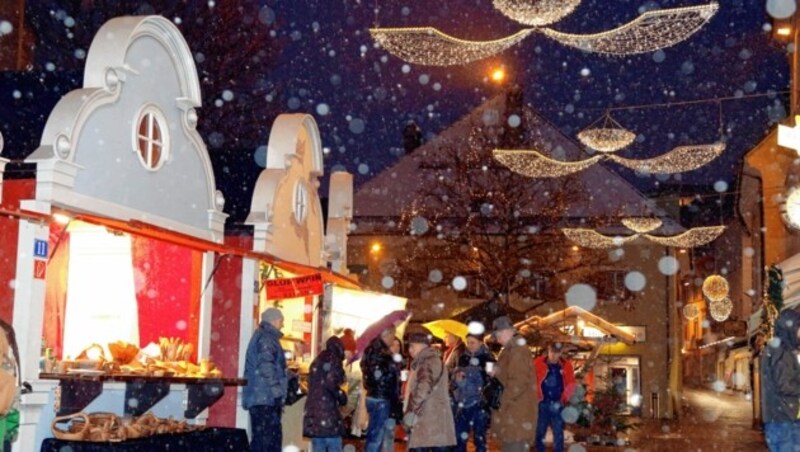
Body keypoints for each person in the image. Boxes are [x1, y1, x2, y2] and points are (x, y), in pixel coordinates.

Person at [243, 308, 289, 452]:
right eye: (281, 321)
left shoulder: (264, 336)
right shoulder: (267, 338)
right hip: (265, 398)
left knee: (263, 440)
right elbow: (266, 366)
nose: (282, 324)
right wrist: (277, 391)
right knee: (267, 442)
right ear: (274, 321)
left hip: (261, 398)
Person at [489, 316, 537, 452]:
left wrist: (501, 402)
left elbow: (518, 383)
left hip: (516, 417)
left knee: (514, 447)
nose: (497, 339)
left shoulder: (517, 350)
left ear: (506, 331)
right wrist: (497, 371)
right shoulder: (512, 349)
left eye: (498, 335)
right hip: (514, 417)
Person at [403, 330, 456, 451]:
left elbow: (423, 389)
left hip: (426, 417)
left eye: (411, 346)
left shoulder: (426, 362)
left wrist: (411, 410)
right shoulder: (434, 359)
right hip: (436, 416)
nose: (410, 350)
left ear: (420, 345)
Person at [760, 309, 800, 452]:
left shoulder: (777, 348)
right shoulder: (782, 351)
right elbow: (784, 385)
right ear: (790, 328)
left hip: (780, 418)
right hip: (783, 419)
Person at [452, 332, 495, 452]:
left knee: (479, 438)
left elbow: (490, 380)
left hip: (479, 403)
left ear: (481, 343)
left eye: (473, 342)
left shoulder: (487, 358)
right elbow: (454, 378)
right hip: (462, 403)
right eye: (468, 342)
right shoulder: (463, 358)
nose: (469, 345)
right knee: (459, 438)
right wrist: (456, 379)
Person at [361, 327, 402, 452]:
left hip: (374, 396)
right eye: (393, 335)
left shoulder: (371, 350)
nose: (393, 338)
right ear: (387, 334)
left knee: (374, 435)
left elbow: (368, 373)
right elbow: (380, 377)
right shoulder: (380, 353)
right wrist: (392, 369)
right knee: (376, 438)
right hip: (381, 398)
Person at [304, 336, 347, 452]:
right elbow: (331, 382)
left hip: (314, 412)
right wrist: (342, 396)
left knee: (318, 446)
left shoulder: (317, 360)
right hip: (328, 413)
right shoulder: (334, 360)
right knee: (334, 445)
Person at [534, 342, 576, 452]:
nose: (554, 356)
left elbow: (571, 383)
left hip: (558, 403)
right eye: (552, 352)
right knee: (540, 432)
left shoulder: (566, 365)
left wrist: (564, 398)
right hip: (542, 403)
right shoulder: (538, 362)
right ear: (548, 351)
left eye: (557, 353)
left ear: (561, 353)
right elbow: (531, 379)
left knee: (558, 433)